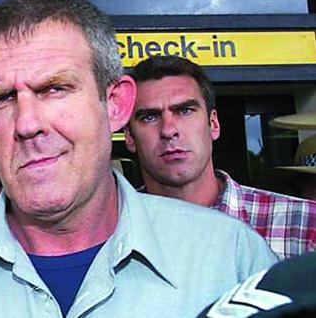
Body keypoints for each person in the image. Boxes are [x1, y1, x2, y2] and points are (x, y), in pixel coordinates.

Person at [0, 0, 277, 318]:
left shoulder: (230, 259)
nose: (27, 123)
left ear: (116, 105)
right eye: (3, 98)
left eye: (54, 89)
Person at [124, 55, 316, 260]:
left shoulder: (303, 224)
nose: (169, 130)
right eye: (149, 117)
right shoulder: (113, 232)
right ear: (129, 137)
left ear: (213, 124)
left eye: (185, 110)